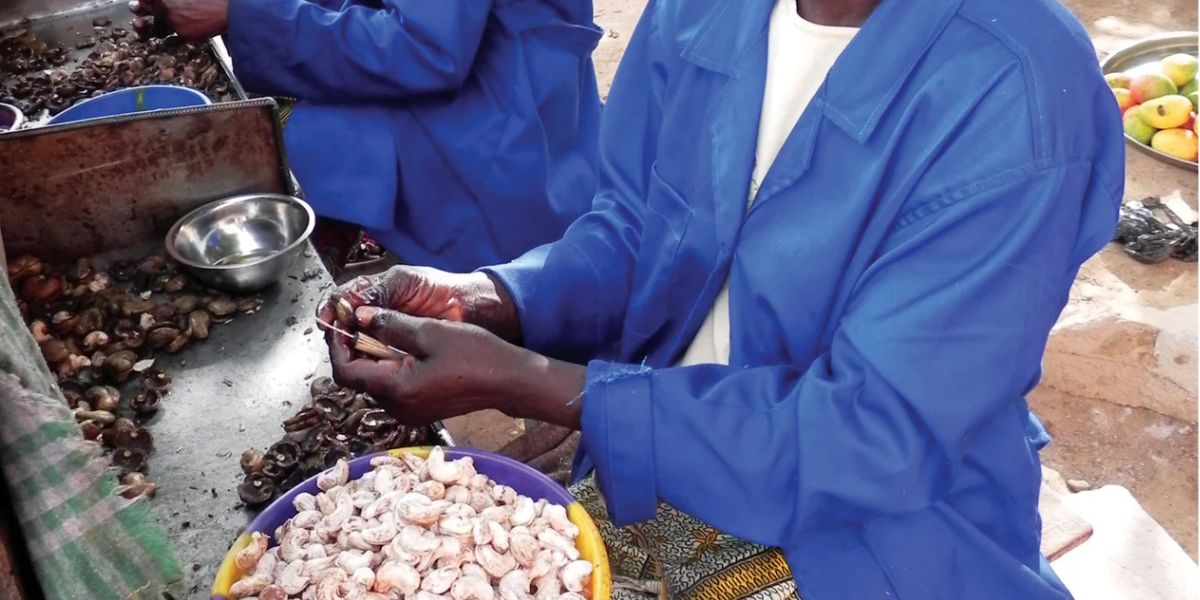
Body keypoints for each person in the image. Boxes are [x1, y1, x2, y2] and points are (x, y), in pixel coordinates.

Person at [320, 0, 1125, 596]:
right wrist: (492, 297)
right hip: (650, 453)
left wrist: (534, 383)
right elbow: (635, 226)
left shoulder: (1018, 88)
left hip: (874, 537)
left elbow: (873, 433)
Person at [130, 0, 603, 272]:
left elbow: (424, 48)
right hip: (476, 88)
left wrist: (246, 13)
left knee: (289, 152)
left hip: (496, 125)